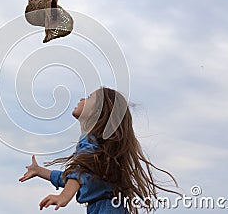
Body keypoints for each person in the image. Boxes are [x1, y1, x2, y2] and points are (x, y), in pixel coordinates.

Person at [19, 86, 180, 213]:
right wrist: (39, 171)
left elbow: (79, 172)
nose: (82, 98)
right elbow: (74, 177)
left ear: (98, 112)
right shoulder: (96, 147)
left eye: (89, 98)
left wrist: (64, 196)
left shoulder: (90, 140)